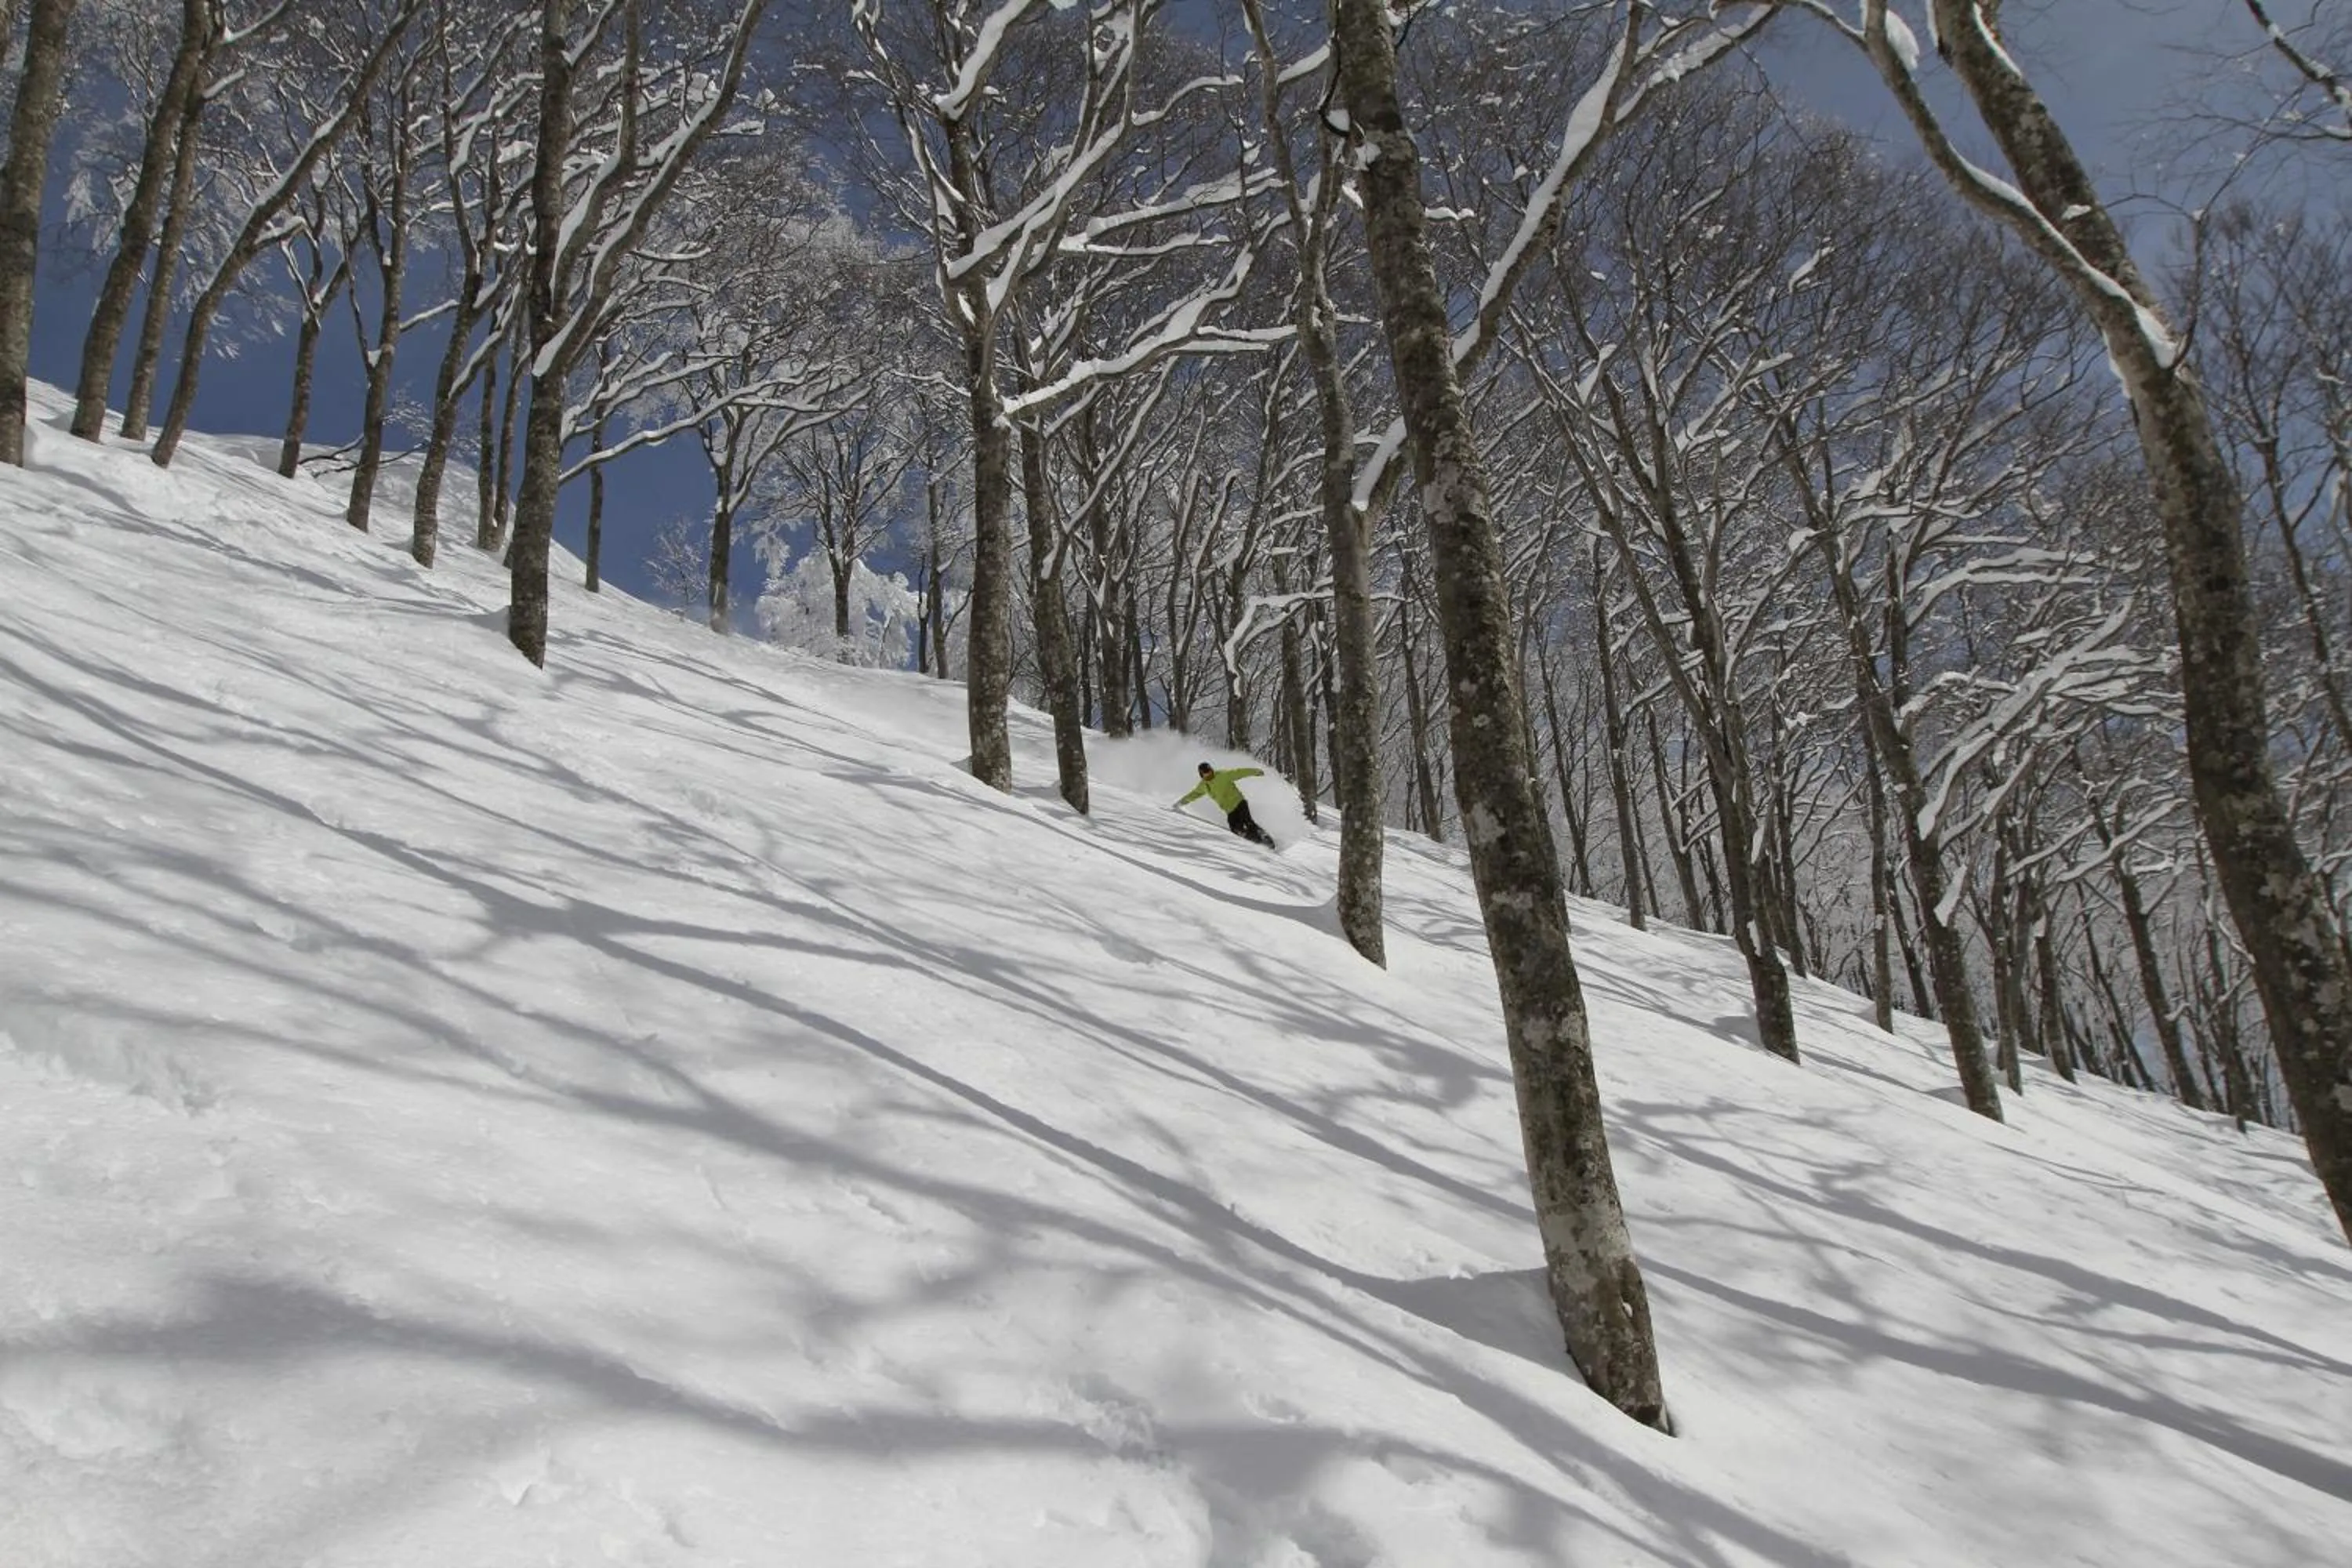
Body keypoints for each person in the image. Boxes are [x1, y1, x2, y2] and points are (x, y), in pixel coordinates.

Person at [1174, 761, 1276, 848]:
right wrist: (1181, 802)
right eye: (1205, 773)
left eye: (1209, 771)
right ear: (1201, 774)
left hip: (1239, 802)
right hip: (1229, 810)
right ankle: (1256, 842)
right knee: (1236, 829)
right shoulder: (1203, 786)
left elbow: (1240, 772)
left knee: (1248, 822)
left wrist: (1256, 772)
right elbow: (1194, 794)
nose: (1209, 774)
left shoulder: (1223, 775)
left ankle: (1265, 839)